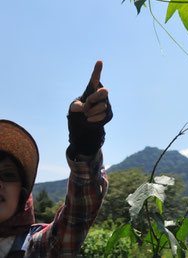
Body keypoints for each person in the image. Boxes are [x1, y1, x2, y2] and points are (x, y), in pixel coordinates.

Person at [0, 60, 112, 257]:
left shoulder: (36, 248)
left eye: (8, 175)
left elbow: (76, 218)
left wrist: (85, 143)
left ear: (23, 193)